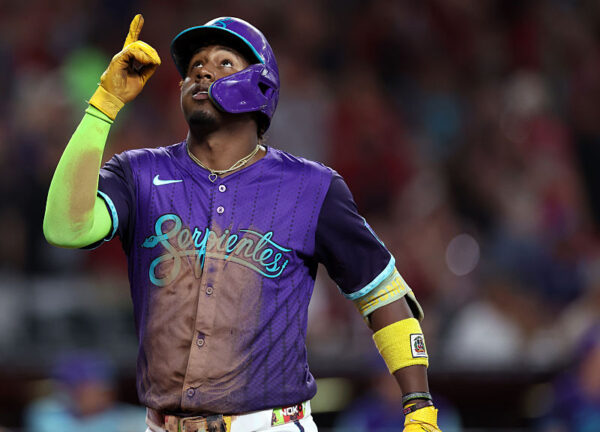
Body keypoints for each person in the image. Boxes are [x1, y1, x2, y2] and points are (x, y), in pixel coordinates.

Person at [44, 14, 442, 432]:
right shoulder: (139, 172)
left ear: (262, 86)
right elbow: (64, 227)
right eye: (195, 65)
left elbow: (382, 292)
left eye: (223, 63)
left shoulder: (312, 187)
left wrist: (419, 407)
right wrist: (104, 105)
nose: (201, 71)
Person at [25, 352, 147, 432]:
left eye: (103, 388)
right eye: (85, 388)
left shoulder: (134, 420)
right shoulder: (47, 416)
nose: (102, 394)